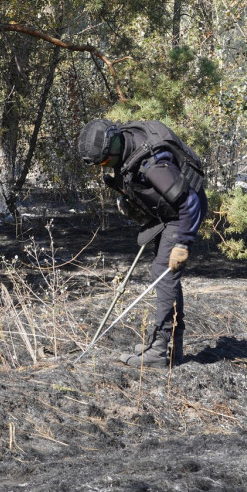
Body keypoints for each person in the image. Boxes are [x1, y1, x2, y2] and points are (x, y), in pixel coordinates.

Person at [76, 118, 208, 368]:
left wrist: (183, 243)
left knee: (164, 274)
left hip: (182, 214)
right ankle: (171, 347)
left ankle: (159, 350)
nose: (104, 167)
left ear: (113, 147)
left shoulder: (154, 166)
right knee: (164, 273)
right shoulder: (126, 139)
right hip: (170, 210)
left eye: (104, 162)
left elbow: (188, 203)